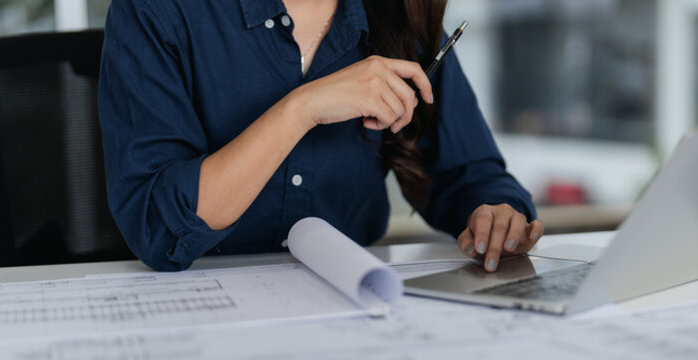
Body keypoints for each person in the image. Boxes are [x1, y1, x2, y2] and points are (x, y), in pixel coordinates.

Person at [99, 0, 543, 272]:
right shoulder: (156, 8)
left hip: (354, 301)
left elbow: (472, 175)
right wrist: (303, 108)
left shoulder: (398, 15)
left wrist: (497, 214)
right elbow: (157, 226)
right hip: (194, 311)